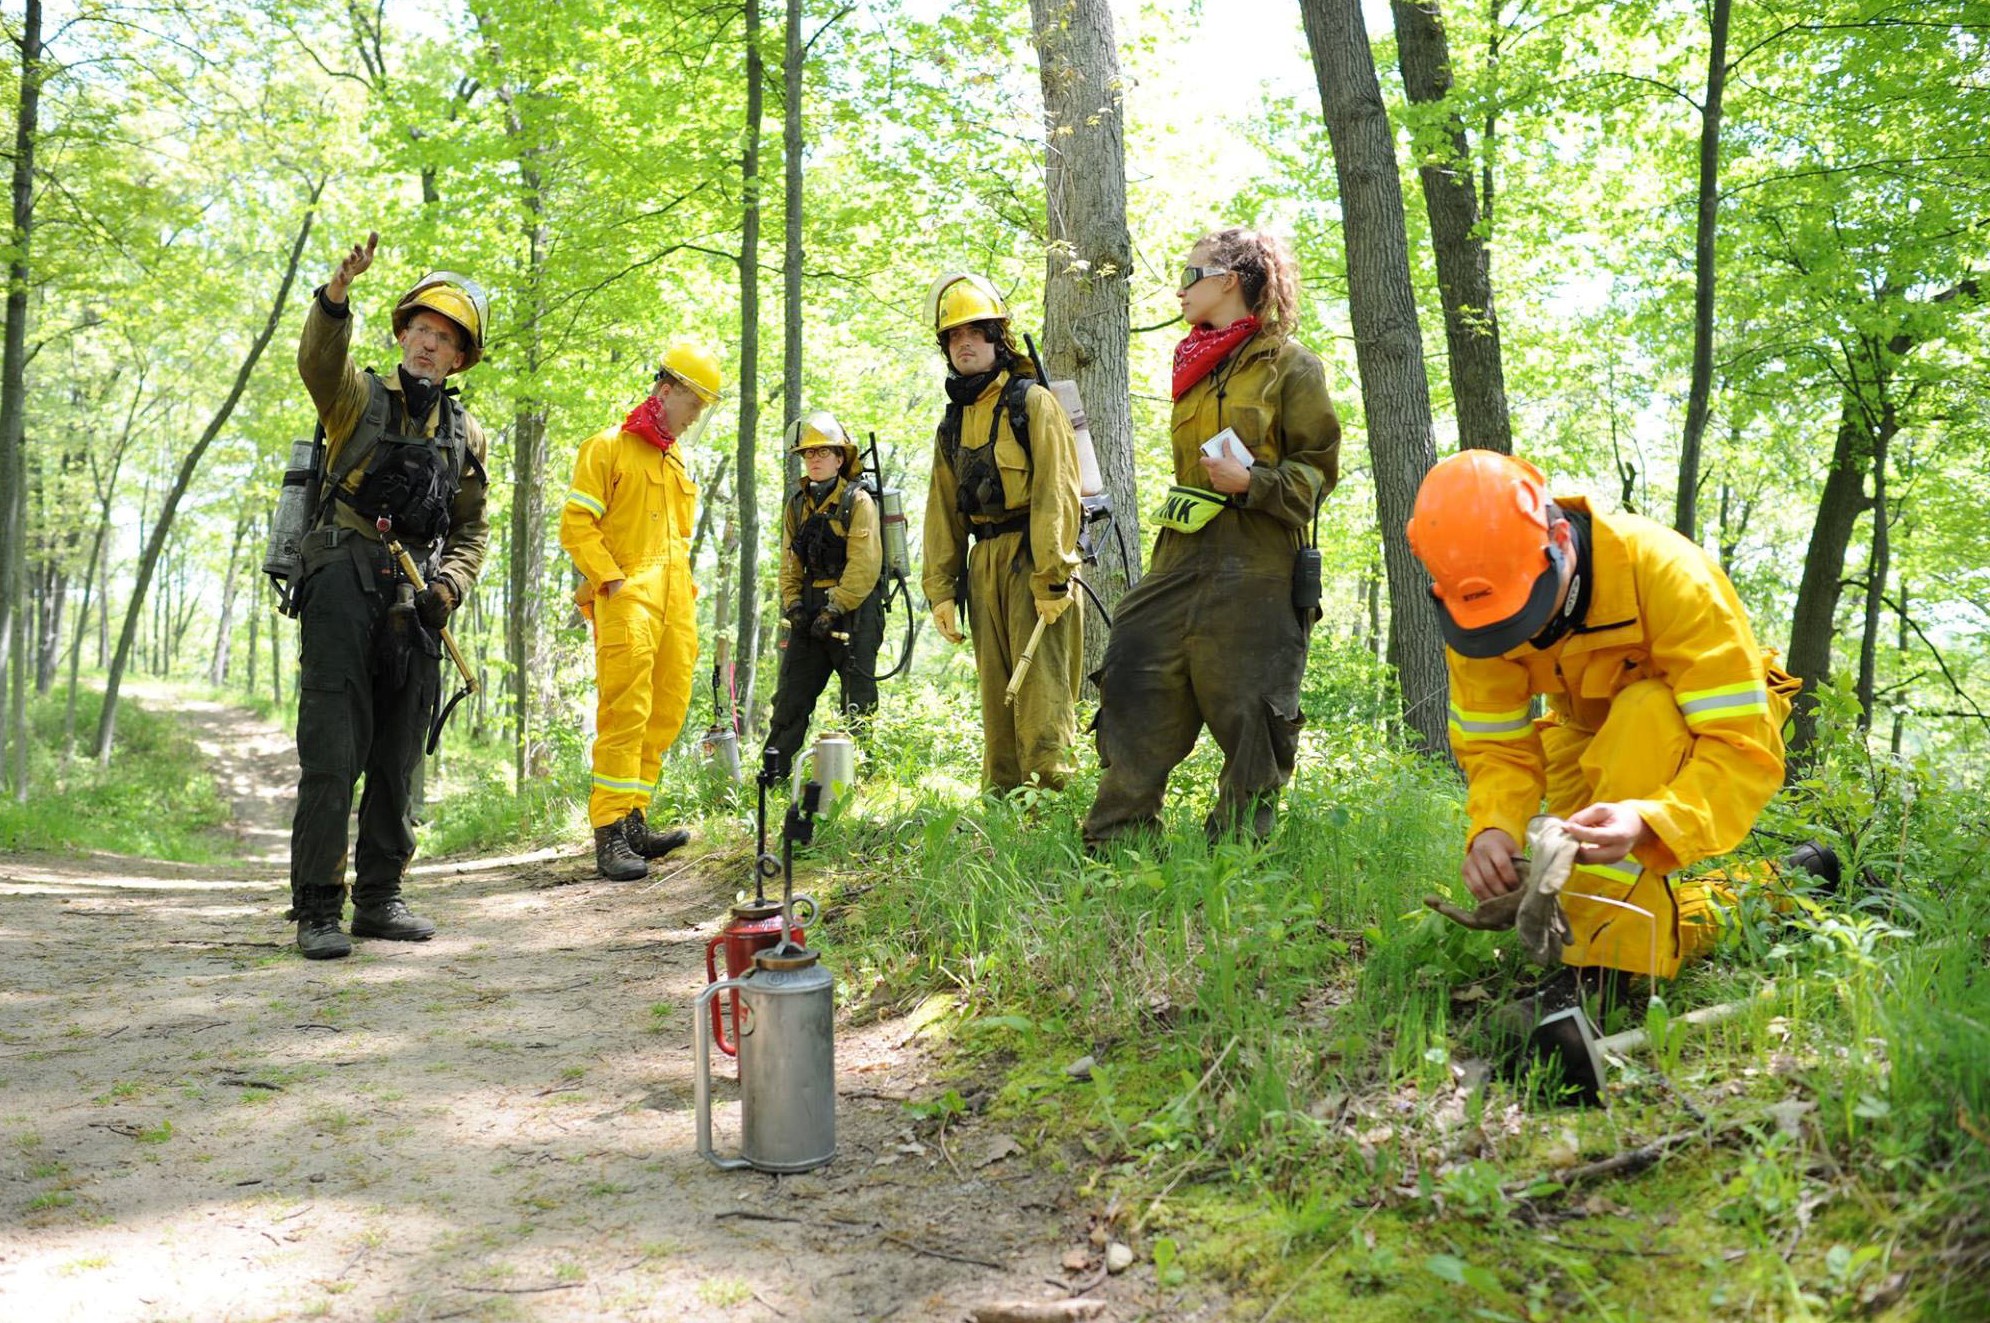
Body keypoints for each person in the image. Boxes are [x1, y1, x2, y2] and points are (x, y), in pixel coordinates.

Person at [1406, 448, 1806, 983]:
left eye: (1527, 610)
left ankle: (1597, 981)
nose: (1516, 637)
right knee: (1588, 899)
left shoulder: (1669, 575)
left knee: (1645, 715)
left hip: (1713, 728)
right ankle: (1788, 883)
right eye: (1500, 625)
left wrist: (1647, 819)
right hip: (1587, 728)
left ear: (1561, 544)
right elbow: (1496, 747)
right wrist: (1494, 829)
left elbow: (1739, 745)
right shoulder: (1477, 616)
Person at [1083, 228, 1341, 847]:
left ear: (1229, 280)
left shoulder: (1292, 366)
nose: (1180, 288)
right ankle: (1118, 841)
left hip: (1258, 557)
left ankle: (1235, 853)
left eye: (1191, 274)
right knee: (1132, 672)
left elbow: (1318, 471)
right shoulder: (1193, 367)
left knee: (1253, 708)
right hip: (1180, 548)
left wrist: (1254, 481)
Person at [289, 233, 492, 960]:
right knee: (334, 747)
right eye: (421, 331)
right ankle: (317, 906)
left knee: (402, 753)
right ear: (402, 333)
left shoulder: (467, 434)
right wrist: (335, 296)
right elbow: (317, 359)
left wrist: (447, 587)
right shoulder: (358, 397)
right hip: (342, 577)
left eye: (445, 339)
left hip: (416, 601)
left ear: (461, 356)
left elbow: (471, 531)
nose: (429, 346)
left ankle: (379, 898)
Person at [560, 342, 722, 880]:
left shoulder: (675, 458)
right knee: (624, 712)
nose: (695, 415)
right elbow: (577, 526)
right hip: (627, 596)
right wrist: (611, 580)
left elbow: (676, 535)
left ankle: (634, 821)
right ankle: (608, 832)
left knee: (667, 709)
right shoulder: (607, 447)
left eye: (703, 408)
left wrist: (684, 589)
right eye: (692, 403)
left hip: (675, 600)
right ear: (666, 389)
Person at [920, 273, 1084, 792]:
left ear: (996, 337)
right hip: (982, 566)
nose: (962, 343)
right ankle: (1006, 814)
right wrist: (941, 591)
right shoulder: (952, 423)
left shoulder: (1031, 403)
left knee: (1041, 697)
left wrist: (1053, 576)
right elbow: (941, 512)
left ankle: (1053, 813)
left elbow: (1059, 491)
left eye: (974, 331)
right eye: (953, 336)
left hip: (1035, 562)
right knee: (999, 700)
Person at [763, 410, 886, 763]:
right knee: (789, 696)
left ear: (839, 458)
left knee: (858, 702)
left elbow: (864, 564)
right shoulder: (797, 505)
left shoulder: (858, 501)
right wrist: (794, 606)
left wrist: (836, 608)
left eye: (822, 453)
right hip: (810, 608)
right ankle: (772, 775)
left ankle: (860, 779)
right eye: (809, 454)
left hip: (855, 611)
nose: (814, 460)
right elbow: (790, 561)